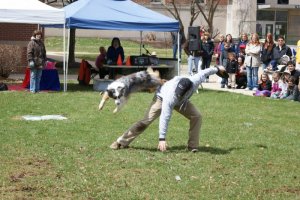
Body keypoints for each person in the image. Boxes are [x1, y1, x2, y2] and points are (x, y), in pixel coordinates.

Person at [109, 66, 227, 152]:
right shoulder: (171, 96)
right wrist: (162, 138)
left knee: (197, 116)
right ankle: (121, 142)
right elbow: (165, 116)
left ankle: (193, 146)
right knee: (145, 121)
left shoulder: (194, 80)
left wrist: (218, 68)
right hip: (161, 98)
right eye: (178, 94)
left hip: (182, 102)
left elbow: (207, 71)